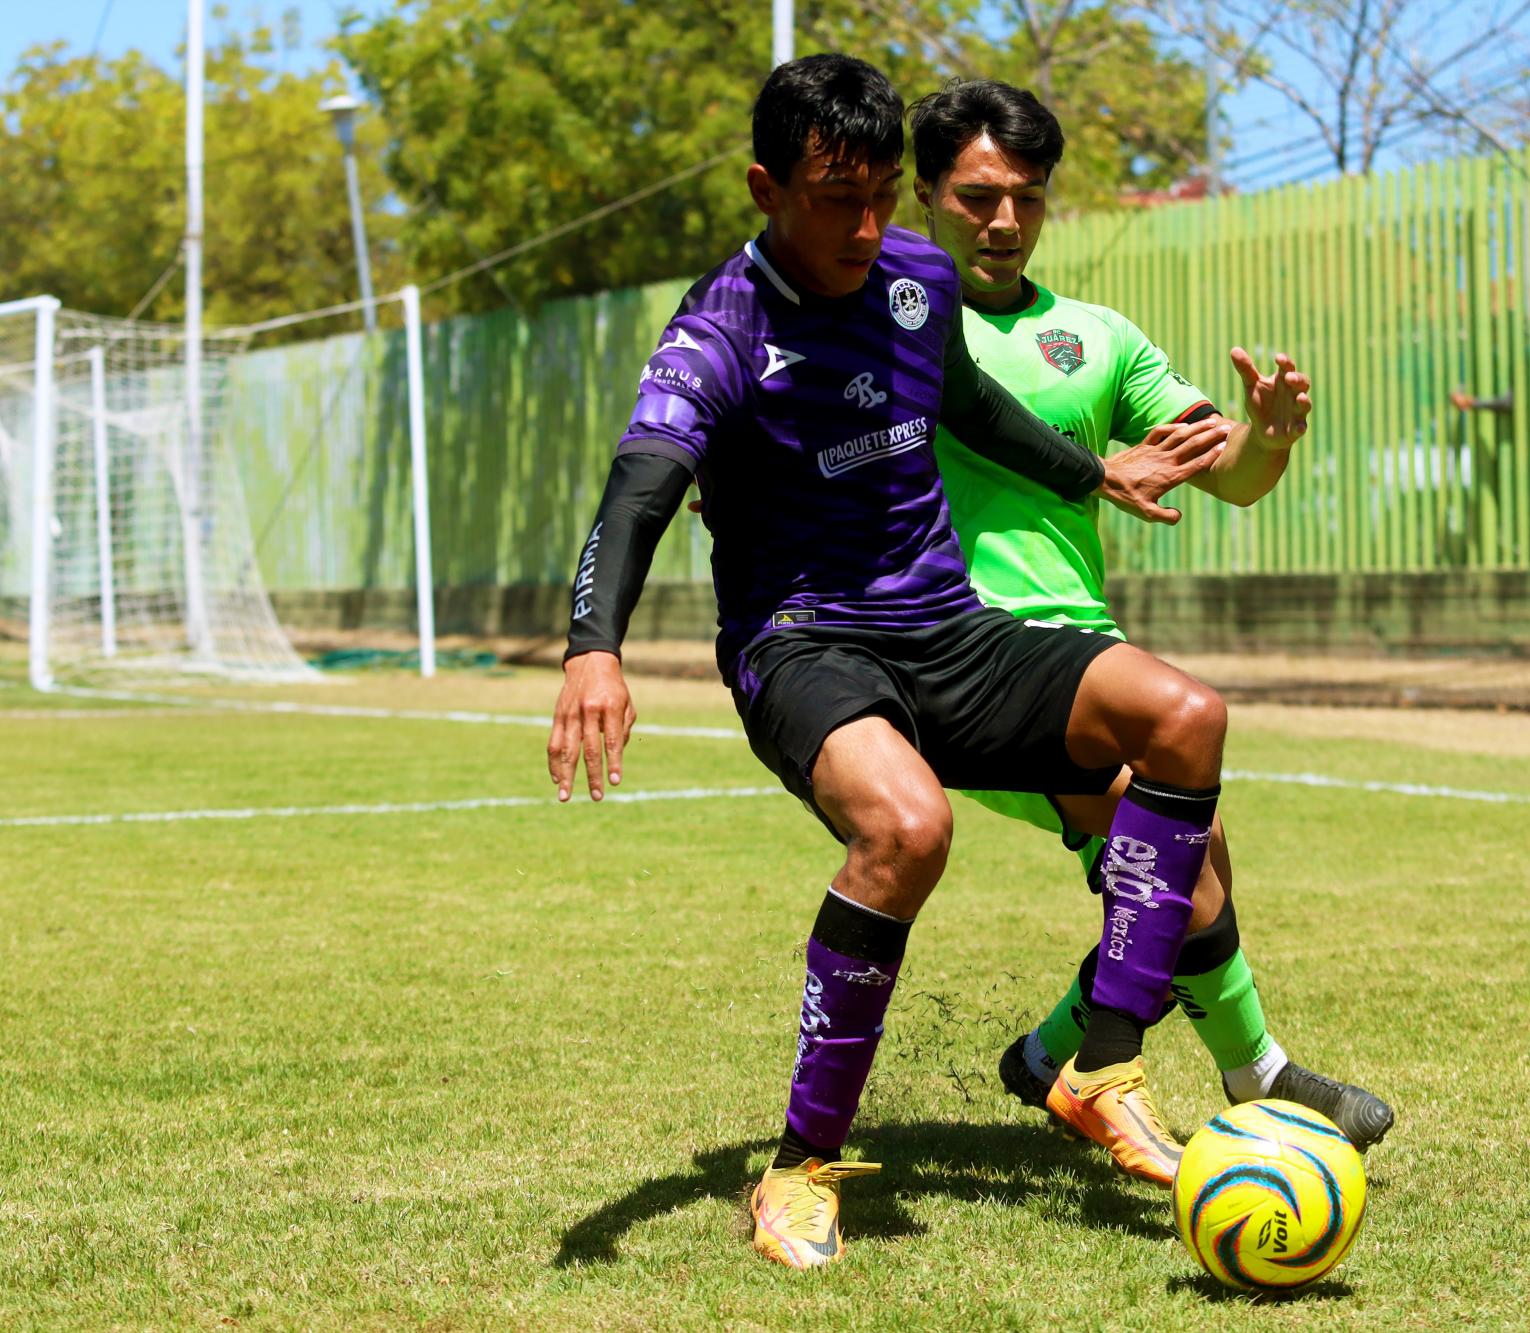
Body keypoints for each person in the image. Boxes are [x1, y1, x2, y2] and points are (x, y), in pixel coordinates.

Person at [548, 55, 1241, 1270]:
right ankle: (799, 1166)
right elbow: (641, 481)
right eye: (833, 199)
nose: (866, 228)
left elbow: (967, 402)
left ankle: (1100, 1062)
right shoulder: (724, 326)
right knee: (909, 831)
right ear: (766, 187)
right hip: (803, 644)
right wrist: (592, 650)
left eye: (880, 195)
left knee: (1183, 715)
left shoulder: (916, 274)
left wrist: (1099, 472)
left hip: (948, 627)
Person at [907, 80, 1394, 1148]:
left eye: (1025, 198)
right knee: (1170, 835)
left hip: (1089, 651)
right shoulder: (886, 328)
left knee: (1186, 849)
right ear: (925, 194)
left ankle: (1050, 1055)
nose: (1002, 221)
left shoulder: (1096, 335)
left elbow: (1220, 469)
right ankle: (1254, 1074)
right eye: (977, 196)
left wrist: (1264, 439)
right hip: (963, 653)